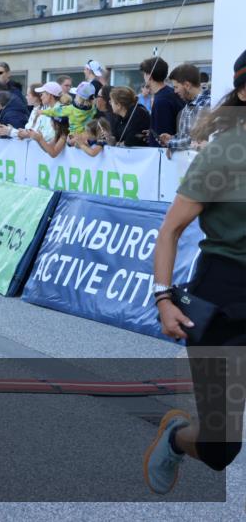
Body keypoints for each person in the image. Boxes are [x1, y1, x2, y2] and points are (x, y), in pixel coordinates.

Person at [143, 52, 246, 494]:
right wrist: (164, 299)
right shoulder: (226, 154)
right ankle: (177, 437)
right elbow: (170, 231)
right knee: (221, 448)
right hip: (226, 297)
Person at [159, 63, 210, 154]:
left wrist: (171, 143)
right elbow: (185, 135)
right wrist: (172, 138)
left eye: (176, 87)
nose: (175, 91)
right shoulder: (188, 105)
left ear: (187, 85)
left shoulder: (205, 104)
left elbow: (194, 139)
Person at [142, 56, 184, 146]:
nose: (143, 76)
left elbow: (162, 137)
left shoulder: (161, 101)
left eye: (144, 73)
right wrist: (152, 132)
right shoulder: (171, 92)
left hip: (164, 155)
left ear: (149, 76)